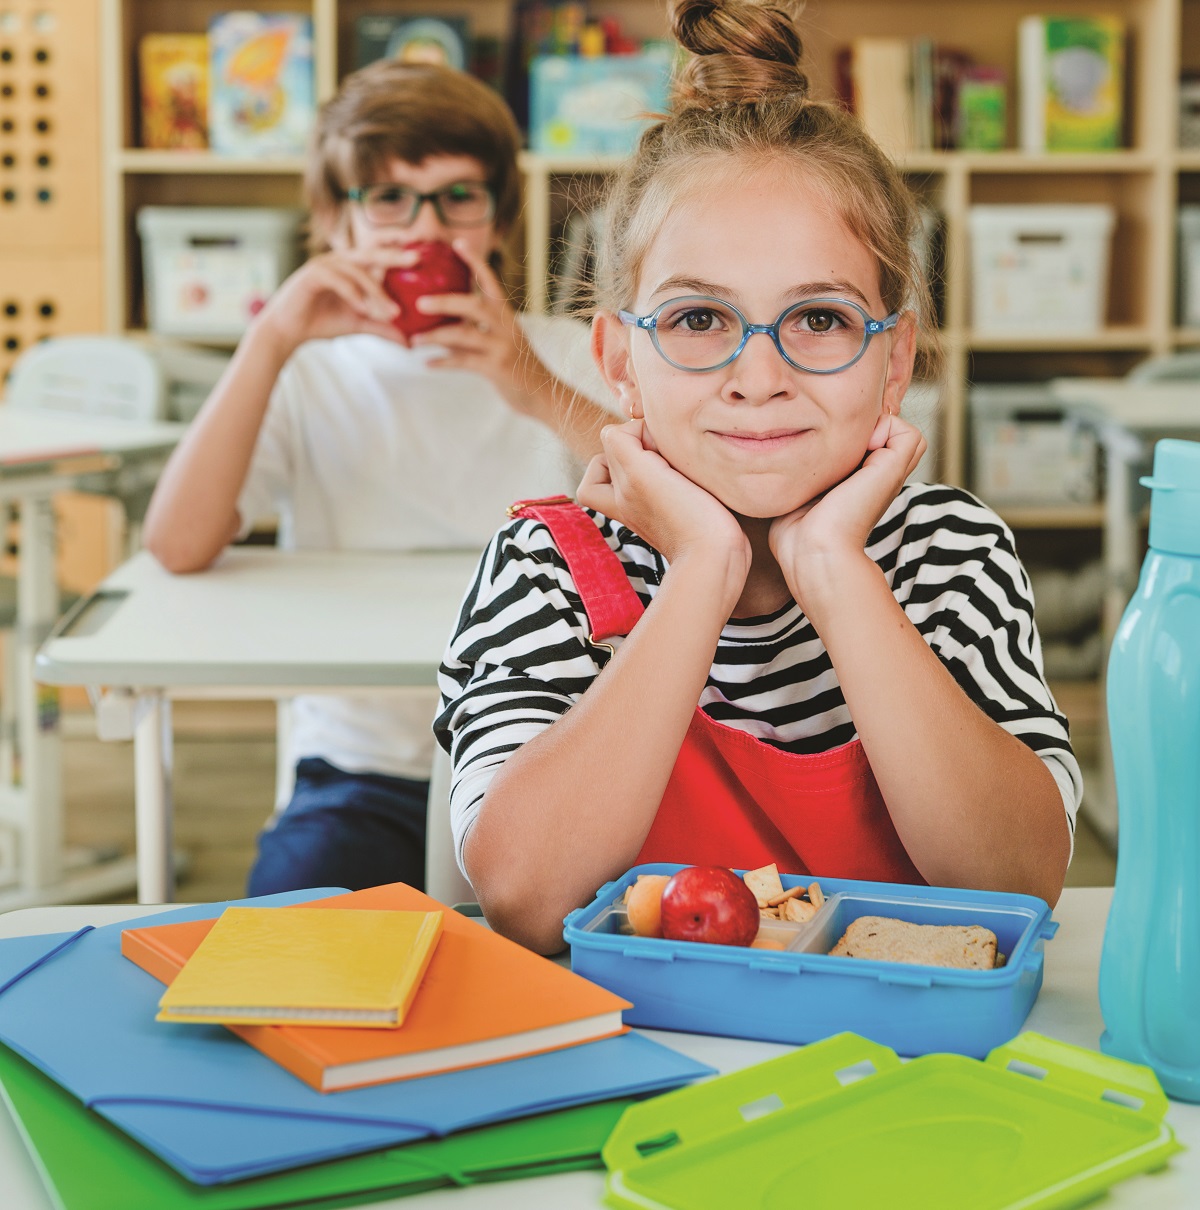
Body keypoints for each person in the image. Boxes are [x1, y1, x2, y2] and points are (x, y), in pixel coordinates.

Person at [435, 0, 1082, 954]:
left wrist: (832, 567)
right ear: (619, 361)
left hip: (893, 1067)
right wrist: (702, 568)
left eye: (819, 319)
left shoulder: (951, 552)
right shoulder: (546, 564)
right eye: (700, 320)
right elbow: (528, 900)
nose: (759, 377)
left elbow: (1017, 884)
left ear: (893, 360)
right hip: (640, 1060)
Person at [142, 59, 617, 896]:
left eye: (457, 197)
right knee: (287, 960)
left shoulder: (568, 354)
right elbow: (178, 544)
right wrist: (272, 340)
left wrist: (528, 381)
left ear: (500, 219)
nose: (423, 229)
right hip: (360, 770)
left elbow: (681, 503)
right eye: (388, 198)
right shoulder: (308, 376)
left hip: (548, 755)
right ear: (336, 222)